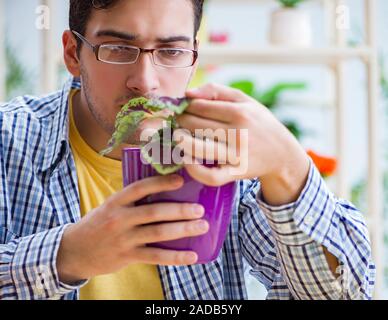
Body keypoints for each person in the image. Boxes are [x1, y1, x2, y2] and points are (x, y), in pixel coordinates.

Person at [0, 0, 375, 300]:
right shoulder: (8, 140)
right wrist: (68, 255)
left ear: (194, 55)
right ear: (72, 53)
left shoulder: (217, 152)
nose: (144, 82)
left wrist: (290, 168)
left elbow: (341, 295)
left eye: (171, 51)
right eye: (117, 48)